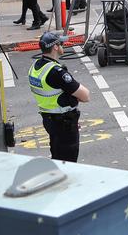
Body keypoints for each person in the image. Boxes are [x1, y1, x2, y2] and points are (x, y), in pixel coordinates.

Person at [28, 32, 90, 162]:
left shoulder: (36, 67)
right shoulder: (56, 72)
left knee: (57, 156)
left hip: (49, 119)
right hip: (64, 123)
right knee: (68, 163)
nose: (63, 45)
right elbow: (85, 95)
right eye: (61, 43)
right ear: (55, 47)